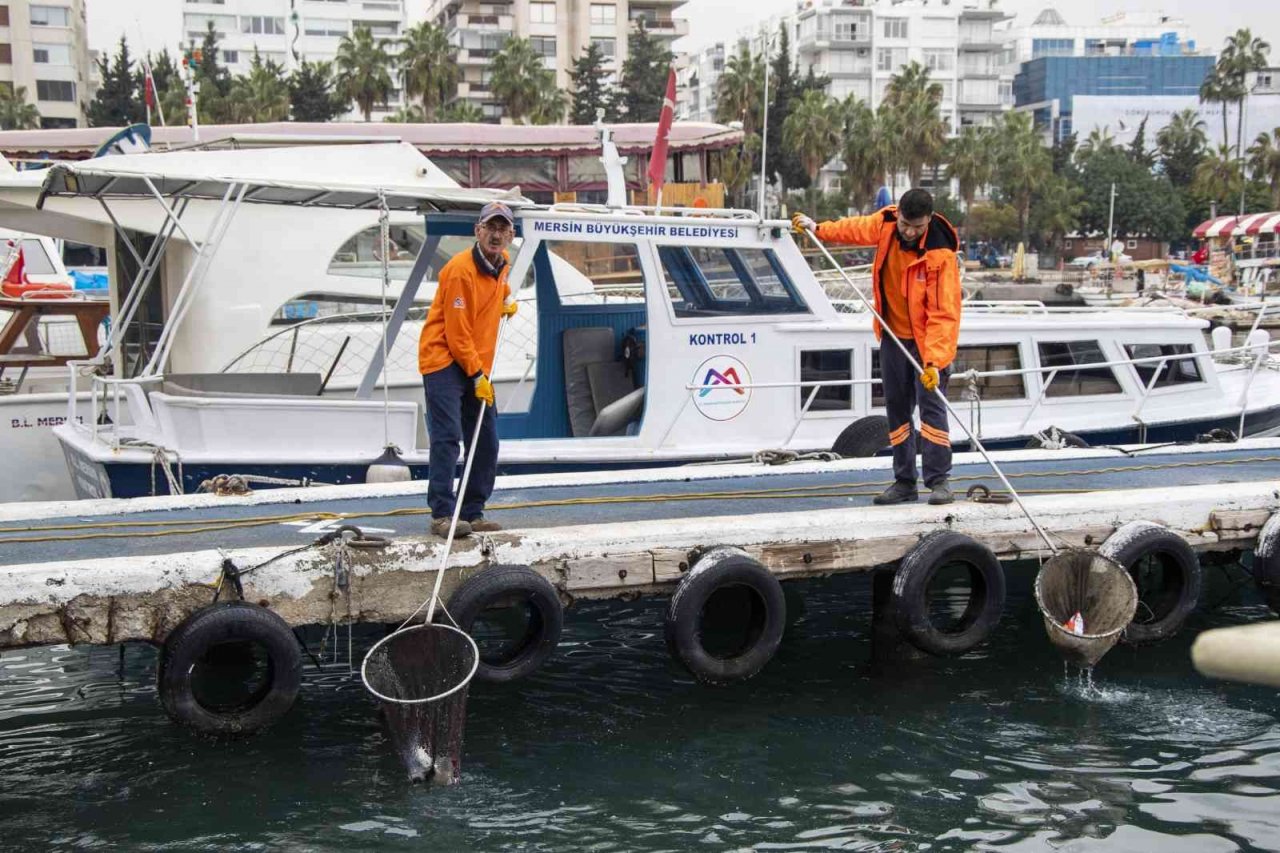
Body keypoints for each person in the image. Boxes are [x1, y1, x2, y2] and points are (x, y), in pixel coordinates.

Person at [793, 189, 961, 505]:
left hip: (927, 348)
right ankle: (904, 482)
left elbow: (945, 313)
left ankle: (939, 482)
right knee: (897, 411)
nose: (909, 232)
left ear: (929, 221)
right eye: (906, 224)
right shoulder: (885, 223)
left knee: (932, 413)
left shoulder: (940, 256)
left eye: (917, 227)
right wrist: (818, 229)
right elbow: (854, 228)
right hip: (892, 337)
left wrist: (934, 363)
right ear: (898, 215)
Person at [418, 201, 519, 537]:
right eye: (490, 227)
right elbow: (457, 333)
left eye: (503, 228)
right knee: (447, 438)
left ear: (510, 235)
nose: (496, 234)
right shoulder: (459, 270)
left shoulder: (501, 263)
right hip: (444, 359)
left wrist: (505, 298)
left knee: (486, 441)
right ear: (478, 231)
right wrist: (477, 375)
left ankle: (472, 512)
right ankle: (443, 515)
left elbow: (494, 287)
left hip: (474, 364)